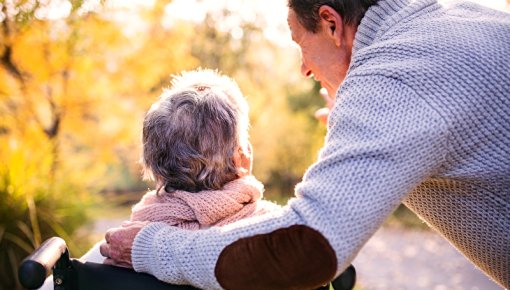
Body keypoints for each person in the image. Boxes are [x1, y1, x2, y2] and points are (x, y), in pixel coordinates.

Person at [100, 0, 510, 289]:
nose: (303, 68)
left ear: (330, 23)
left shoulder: (392, 81)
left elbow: (306, 249)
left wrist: (152, 247)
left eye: (299, 41)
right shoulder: (470, 17)